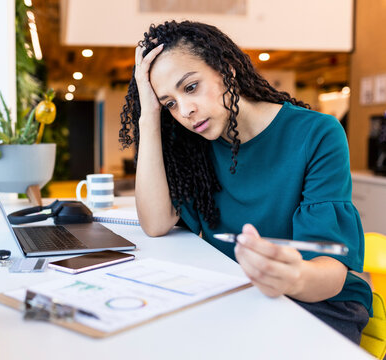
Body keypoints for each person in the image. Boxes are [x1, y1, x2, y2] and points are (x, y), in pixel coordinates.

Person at [119, 20, 372, 344]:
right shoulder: (194, 147)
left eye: (191, 87)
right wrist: (149, 114)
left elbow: (331, 275)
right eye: (169, 102)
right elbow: (155, 223)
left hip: (319, 305)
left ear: (227, 68)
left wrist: (290, 277)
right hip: (239, 295)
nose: (185, 110)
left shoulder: (317, 134)